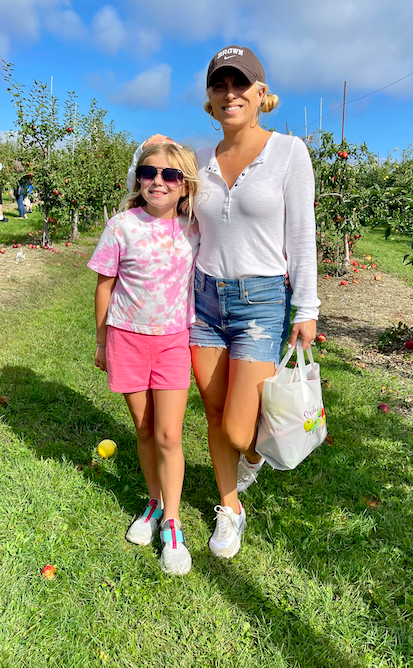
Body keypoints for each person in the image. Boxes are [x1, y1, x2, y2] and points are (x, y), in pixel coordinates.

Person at [132, 45, 320, 559]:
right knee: (214, 412)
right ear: (210, 100)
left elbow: (302, 234)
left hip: (261, 301)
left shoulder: (288, 153)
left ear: (261, 93)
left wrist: (306, 307)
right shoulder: (199, 162)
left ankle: (252, 460)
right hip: (205, 298)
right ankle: (230, 507)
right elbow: (155, 185)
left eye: (241, 84)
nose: (230, 93)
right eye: (220, 85)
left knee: (241, 428)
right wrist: (150, 147)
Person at [88, 143, 200, 575]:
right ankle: (154, 503)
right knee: (145, 428)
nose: (158, 180)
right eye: (149, 171)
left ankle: (172, 522)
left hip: (172, 342)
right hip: (127, 341)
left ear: (184, 184)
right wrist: (101, 341)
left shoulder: (194, 229)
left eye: (170, 175)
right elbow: (104, 285)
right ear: (139, 177)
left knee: (170, 435)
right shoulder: (121, 227)